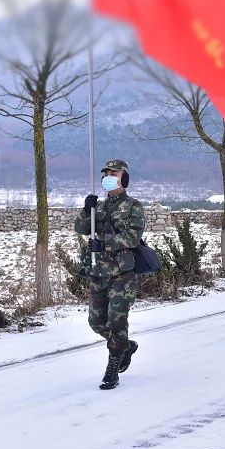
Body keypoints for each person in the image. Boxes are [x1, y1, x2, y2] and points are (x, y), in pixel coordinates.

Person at [75, 159, 145, 390]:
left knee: (116, 321)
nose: (108, 175)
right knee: (96, 322)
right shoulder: (100, 207)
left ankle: (112, 371)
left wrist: (103, 244)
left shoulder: (134, 206)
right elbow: (81, 229)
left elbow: (132, 238)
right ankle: (125, 345)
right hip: (98, 273)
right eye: (105, 173)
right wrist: (87, 210)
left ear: (124, 177)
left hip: (122, 274)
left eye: (113, 172)